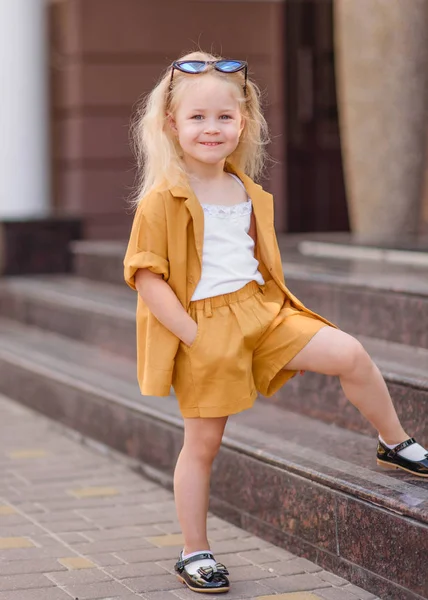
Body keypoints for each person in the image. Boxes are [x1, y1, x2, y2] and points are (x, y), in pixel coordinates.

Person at [124, 50, 428, 594]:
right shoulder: (161, 201)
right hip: (203, 325)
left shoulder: (246, 189)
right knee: (203, 445)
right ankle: (194, 551)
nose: (211, 129)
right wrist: (195, 338)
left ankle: (395, 441)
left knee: (350, 354)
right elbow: (149, 281)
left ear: (244, 122)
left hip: (261, 311)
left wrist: (276, 309)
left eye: (224, 117)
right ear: (171, 124)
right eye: (197, 117)